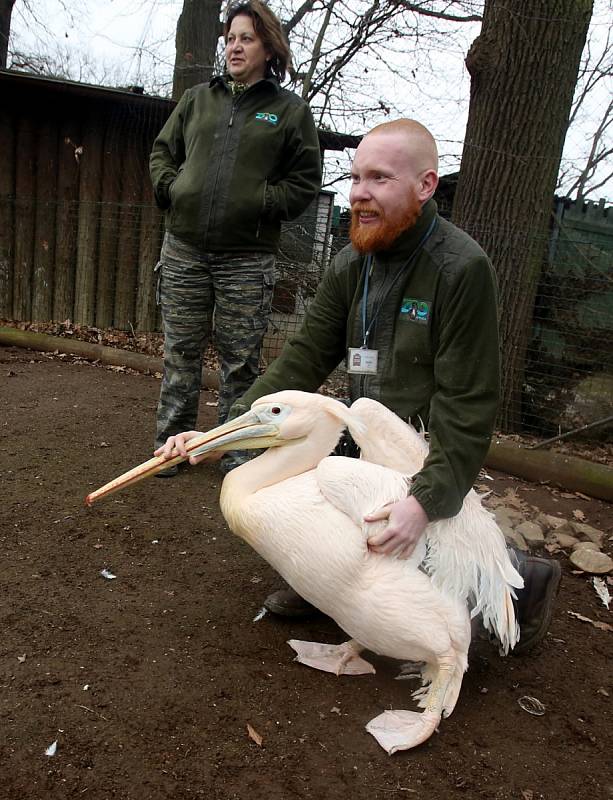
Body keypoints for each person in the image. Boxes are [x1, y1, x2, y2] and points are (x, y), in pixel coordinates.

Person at [157, 118, 561, 655]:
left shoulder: (461, 269)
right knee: (285, 484)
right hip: (364, 428)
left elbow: (468, 403)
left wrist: (427, 499)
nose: (360, 194)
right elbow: (302, 359)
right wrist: (221, 432)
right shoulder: (353, 262)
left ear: (425, 185)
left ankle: (524, 580)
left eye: (379, 179)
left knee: (442, 547)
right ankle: (326, 587)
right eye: (354, 178)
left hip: (423, 445)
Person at [149, 0, 322, 475]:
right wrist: (172, 188)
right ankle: (171, 447)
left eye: (246, 37)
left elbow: (305, 182)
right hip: (184, 248)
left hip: (247, 258)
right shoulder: (197, 100)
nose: (234, 46)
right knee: (179, 353)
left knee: (239, 362)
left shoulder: (288, 112)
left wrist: (261, 201)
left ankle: (237, 452)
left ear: (268, 46)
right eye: (230, 38)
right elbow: (163, 152)